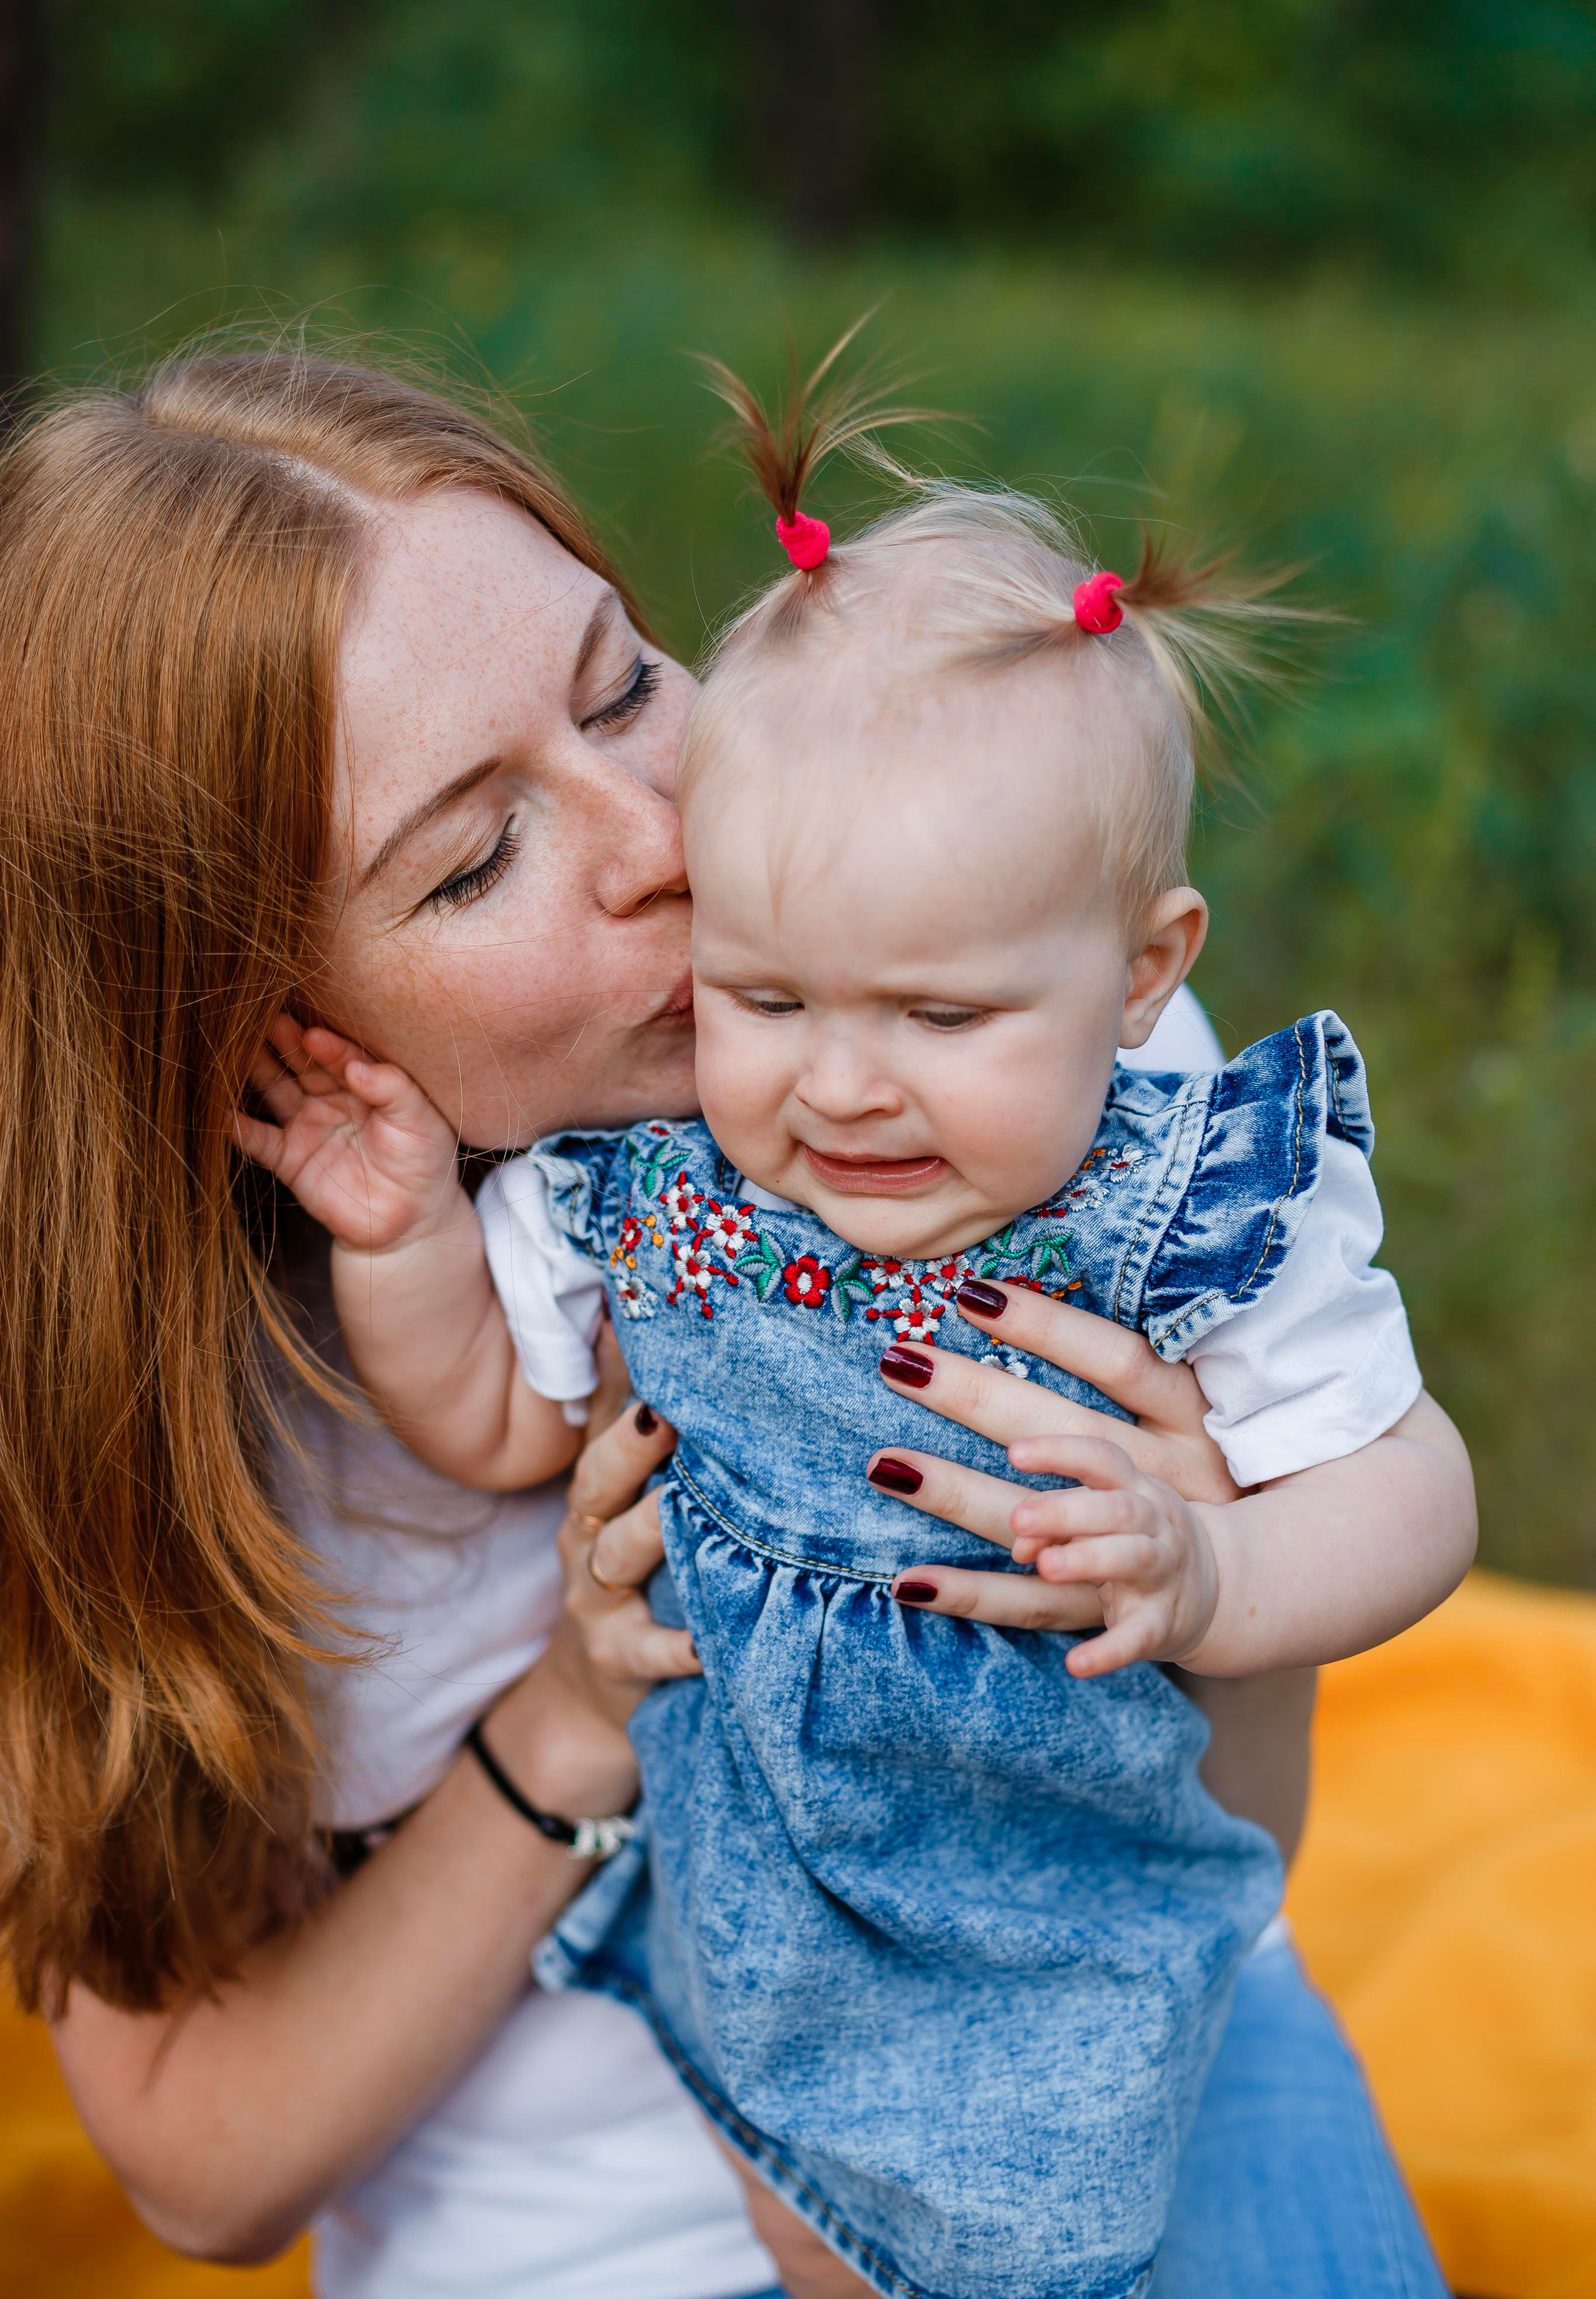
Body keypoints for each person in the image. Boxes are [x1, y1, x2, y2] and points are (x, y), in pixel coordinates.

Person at [0, 347, 1455, 2299]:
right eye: (479, 855)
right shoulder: (137, 1404)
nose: (668, 845)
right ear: (256, 1021)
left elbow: (1229, 1844)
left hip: (1122, 2037)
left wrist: (1204, 1582)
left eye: (622, 685)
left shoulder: (994, 1038)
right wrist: (580, 1711)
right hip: (579, 2228)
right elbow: (200, 2163)